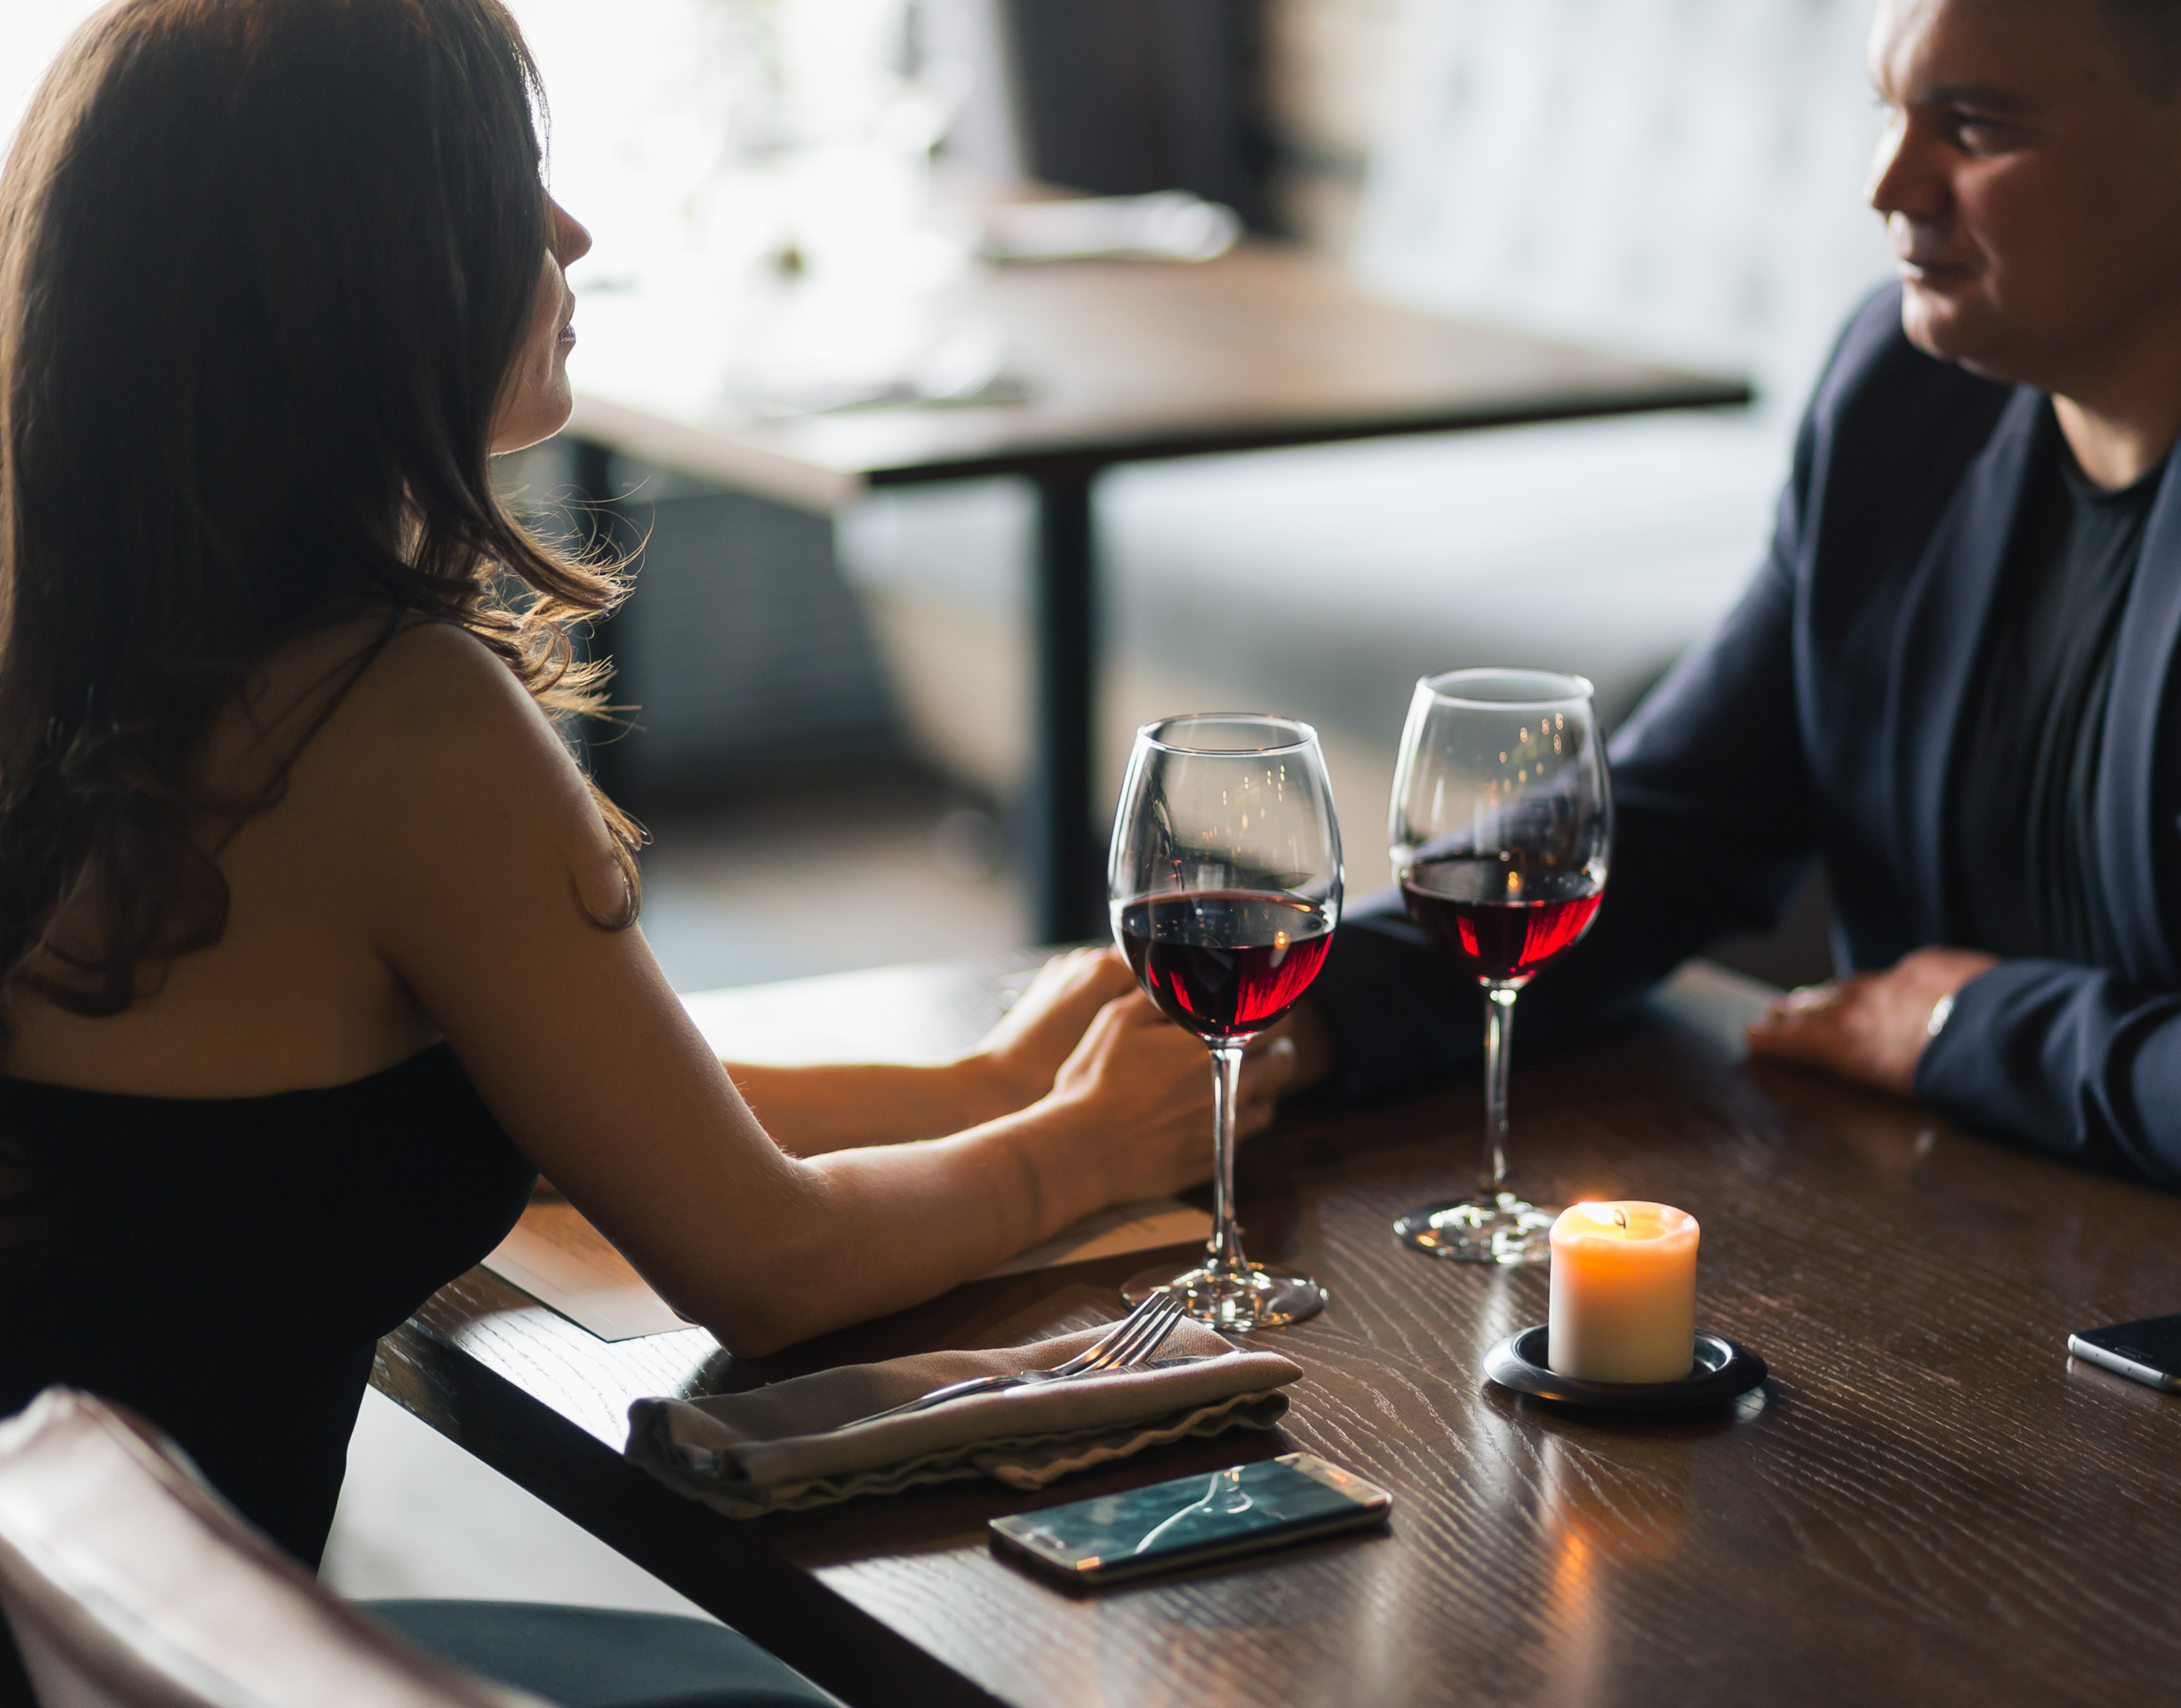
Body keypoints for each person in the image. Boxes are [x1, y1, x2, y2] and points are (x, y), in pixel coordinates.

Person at [0, 0, 1290, 1595]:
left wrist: (984, 1077)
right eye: (500, 184)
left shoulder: (85, 650)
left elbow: (563, 1091)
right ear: (347, 273)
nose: (568, 229)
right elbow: (770, 1265)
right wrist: (1079, 1149)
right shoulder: (384, 715)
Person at [1296, 0, 2181, 1274]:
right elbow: (1667, 827)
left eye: (1973, 127)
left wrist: (1964, 1024)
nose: (1887, 186)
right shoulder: (1902, 391)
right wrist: (1300, 1008)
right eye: (1888, 111)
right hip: (1958, 1275)